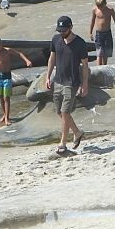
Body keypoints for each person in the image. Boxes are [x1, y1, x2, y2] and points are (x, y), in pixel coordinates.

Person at [45, 16, 89, 154]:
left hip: (72, 82)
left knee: (65, 112)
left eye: (64, 30)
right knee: (59, 112)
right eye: (60, 30)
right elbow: (52, 58)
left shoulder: (80, 43)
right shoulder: (55, 39)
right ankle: (77, 132)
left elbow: (85, 66)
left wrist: (85, 84)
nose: (62, 33)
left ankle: (63, 143)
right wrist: (48, 76)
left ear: (70, 27)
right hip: (58, 80)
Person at [0, 36, 34, 127]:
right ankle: (4, 115)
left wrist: (27, 61)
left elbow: (19, 54)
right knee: (1, 97)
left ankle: (7, 118)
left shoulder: (7, 51)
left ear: (1, 44)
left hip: (6, 76)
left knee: (6, 98)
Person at [90, 0, 115, 66]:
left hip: (107, 33)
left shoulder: (110, 10)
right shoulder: (95, 10)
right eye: (98, 6)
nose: (99, 8)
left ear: (105, 3)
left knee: (105, 53)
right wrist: (90, 32)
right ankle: (98, 67)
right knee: (99, 53)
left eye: (101, 6)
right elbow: (92, 21)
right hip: (98, 34)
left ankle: (104, 67)